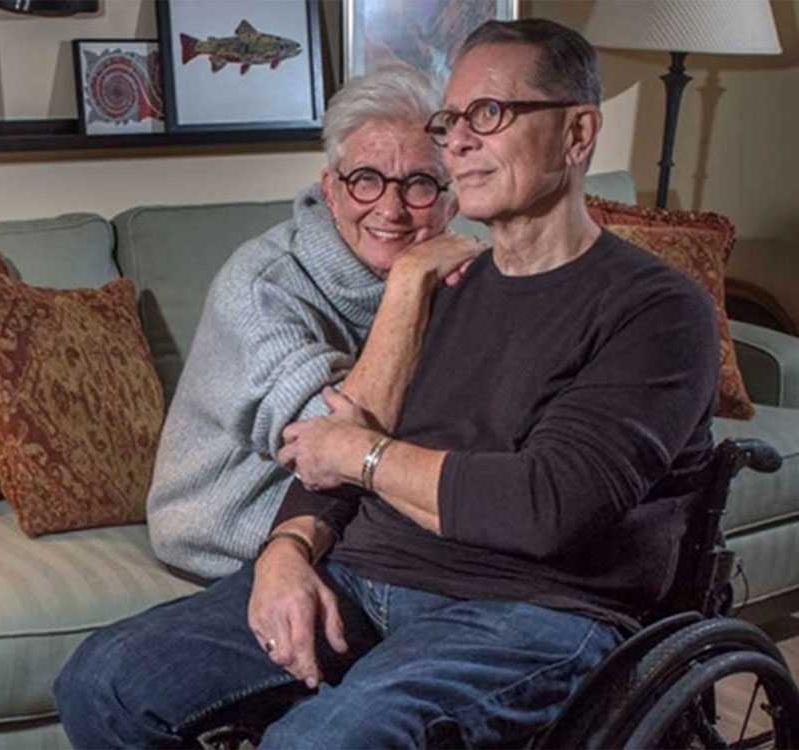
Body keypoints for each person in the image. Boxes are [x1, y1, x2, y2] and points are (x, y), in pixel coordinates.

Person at [55, 18, 721, 749]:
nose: (459, 140)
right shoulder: (439, 286)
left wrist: (362, 457)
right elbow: (343, 438)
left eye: (490, 114)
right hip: (368, 576)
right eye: (454, 119)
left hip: (536, 611)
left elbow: (544, 506)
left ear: (578, 133)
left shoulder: (656, 309)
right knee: (104, 679)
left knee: (318, 742)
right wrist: (287, 551)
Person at [147, 63, 482, 580]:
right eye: (366, 180)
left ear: (450, 200)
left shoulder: (460, 274)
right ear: (331, 188)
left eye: (418, 184)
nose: (390, 209)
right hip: (234, 539)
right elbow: (328, 447)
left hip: (365, 527)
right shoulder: (260, 287)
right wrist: (410, 282)